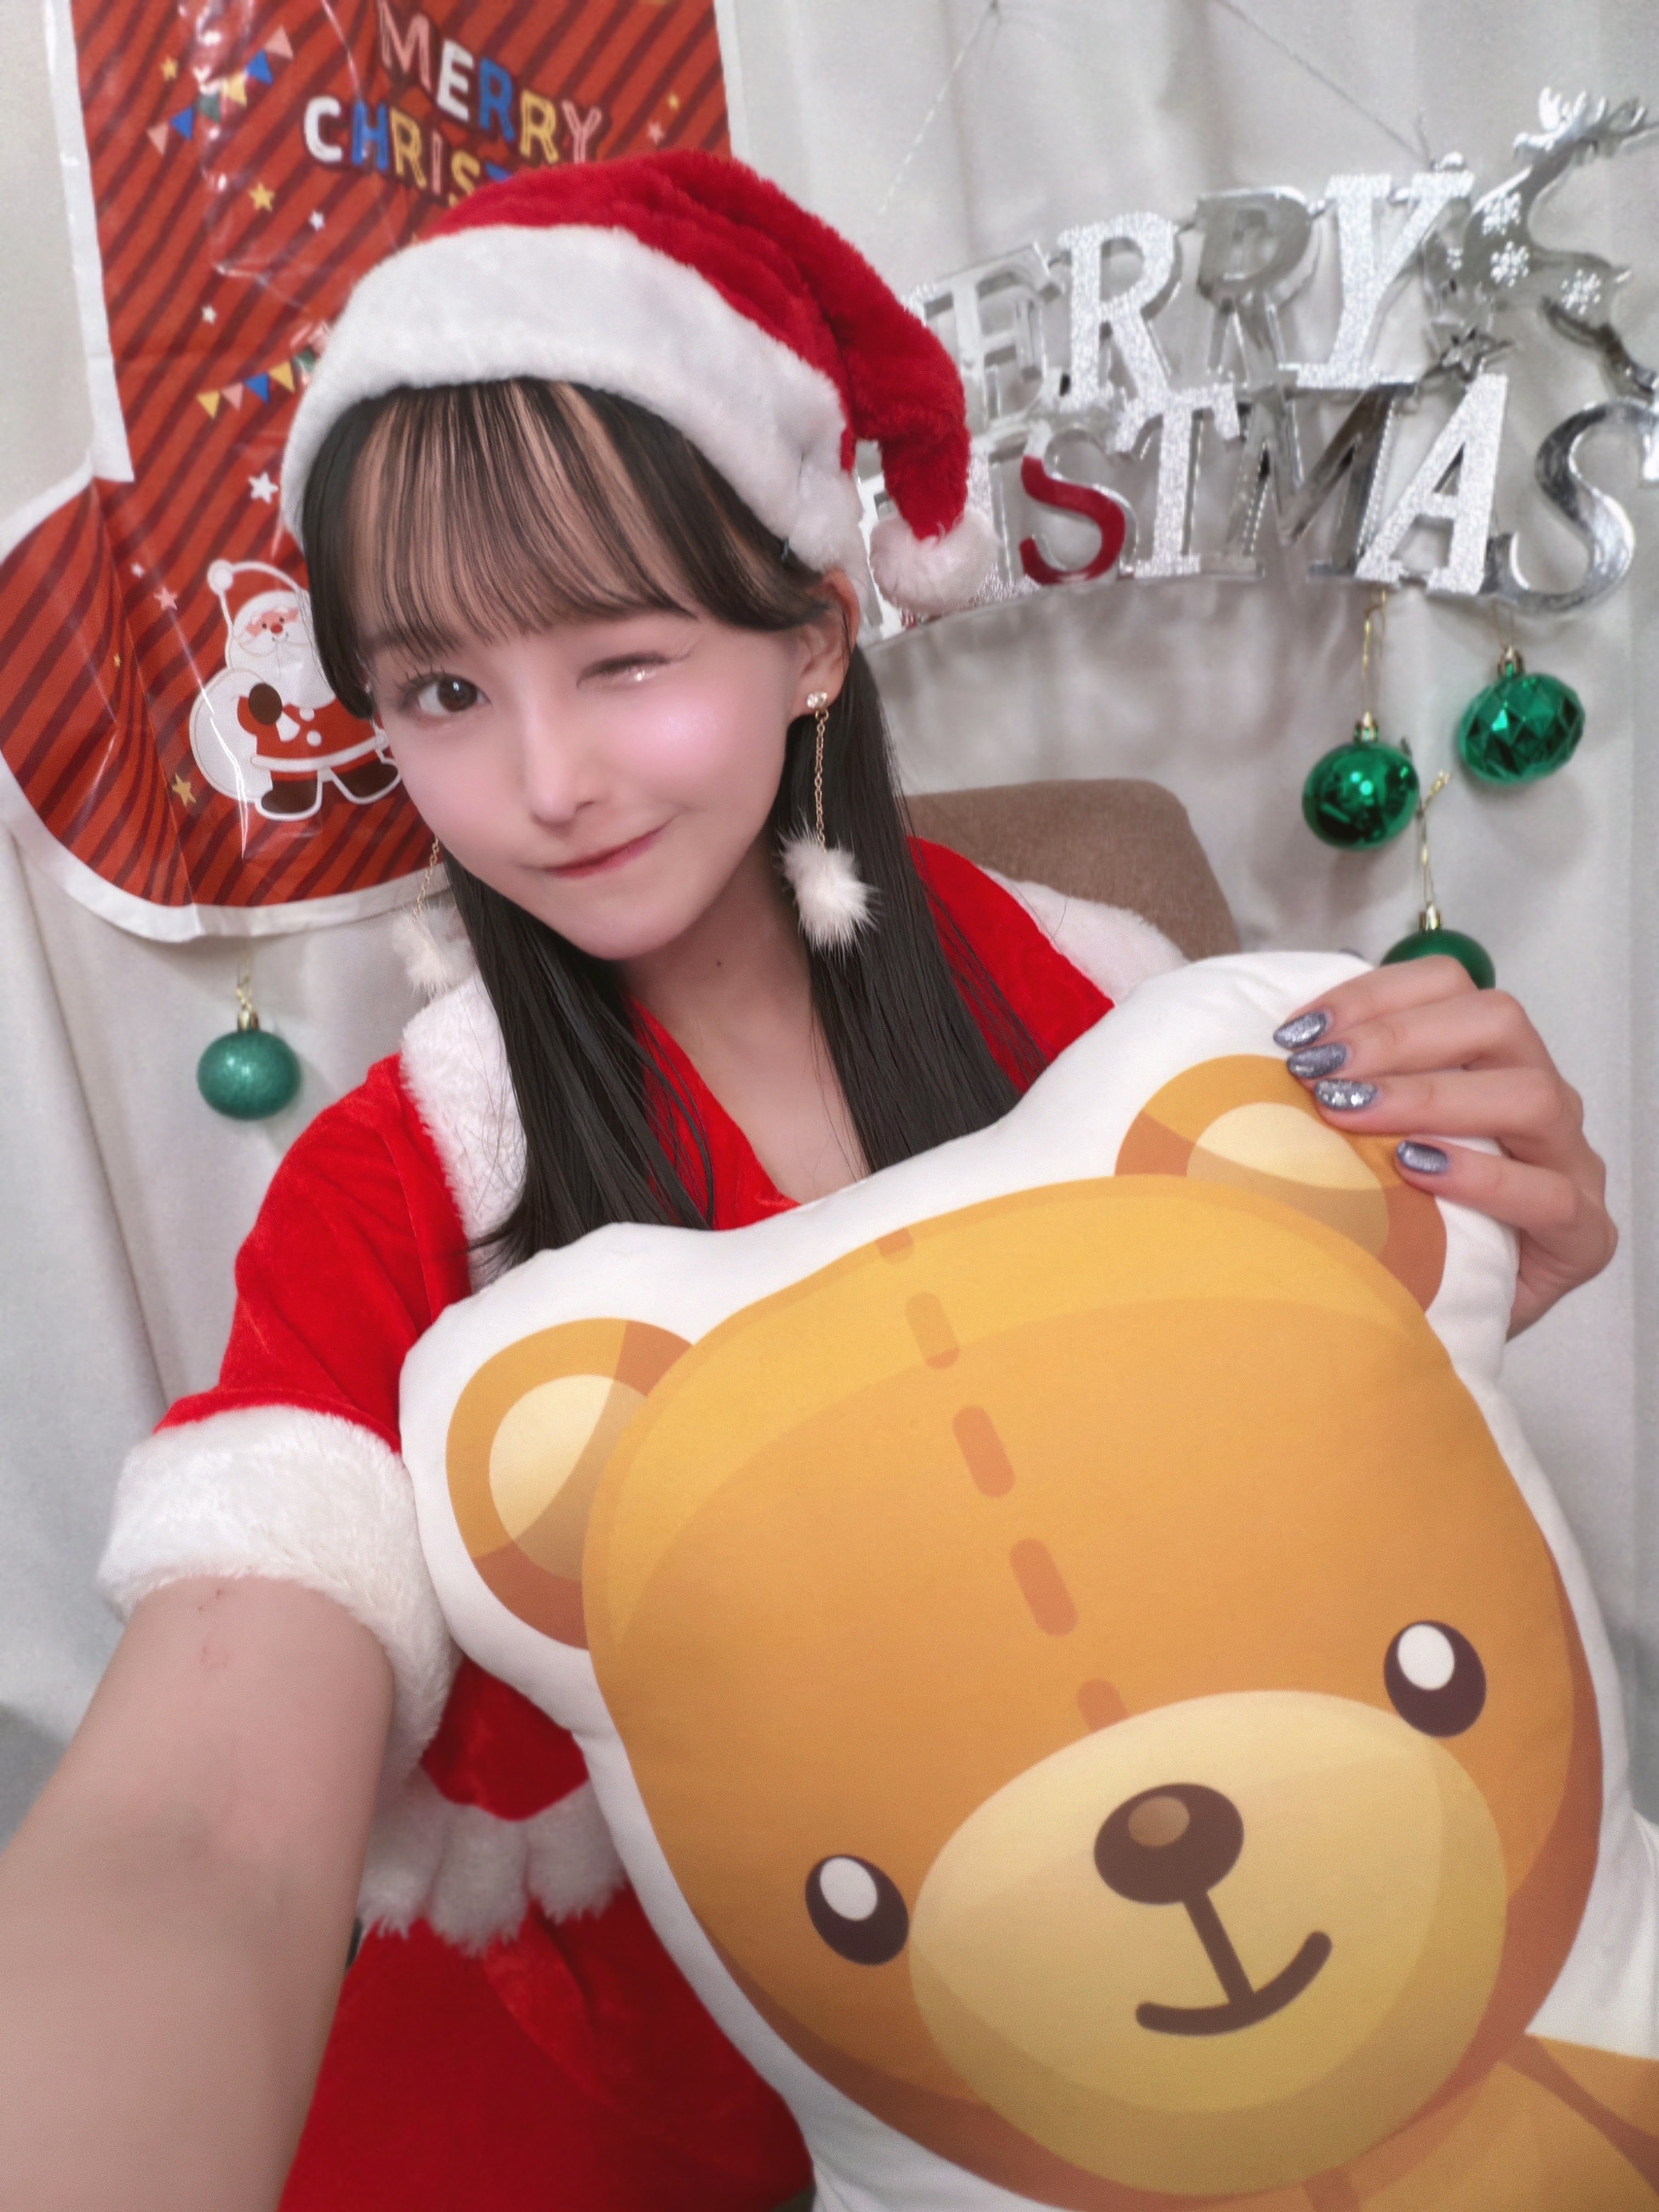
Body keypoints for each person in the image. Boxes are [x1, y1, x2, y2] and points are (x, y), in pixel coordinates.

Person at [0, 152, 1616, 2212]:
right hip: (616, 2122)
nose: (545, 782)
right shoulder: (396, 1193)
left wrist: (1458, 1288)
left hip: (1157, 2027)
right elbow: (201, 1828)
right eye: (443, 694)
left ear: (818, 642)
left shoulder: (1108, 1017)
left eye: (624, 658)